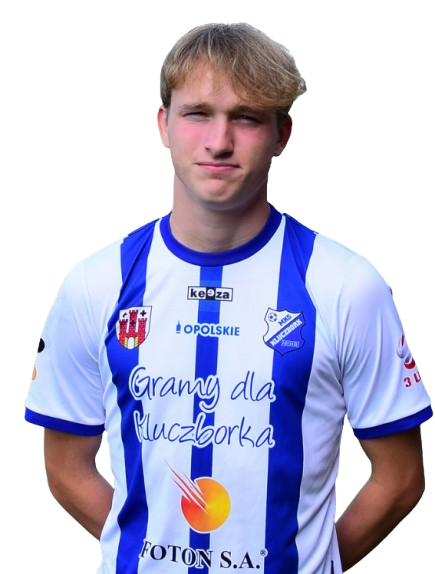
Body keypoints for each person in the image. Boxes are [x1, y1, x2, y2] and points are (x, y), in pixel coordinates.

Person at [24, 22, 432, 574]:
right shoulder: (94, 283)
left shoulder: (347, 285)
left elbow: (401, 480)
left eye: (246, 118)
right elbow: (65, 468)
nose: (219, 141)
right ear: (163, 125)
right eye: (198, 114)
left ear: (283, 135)